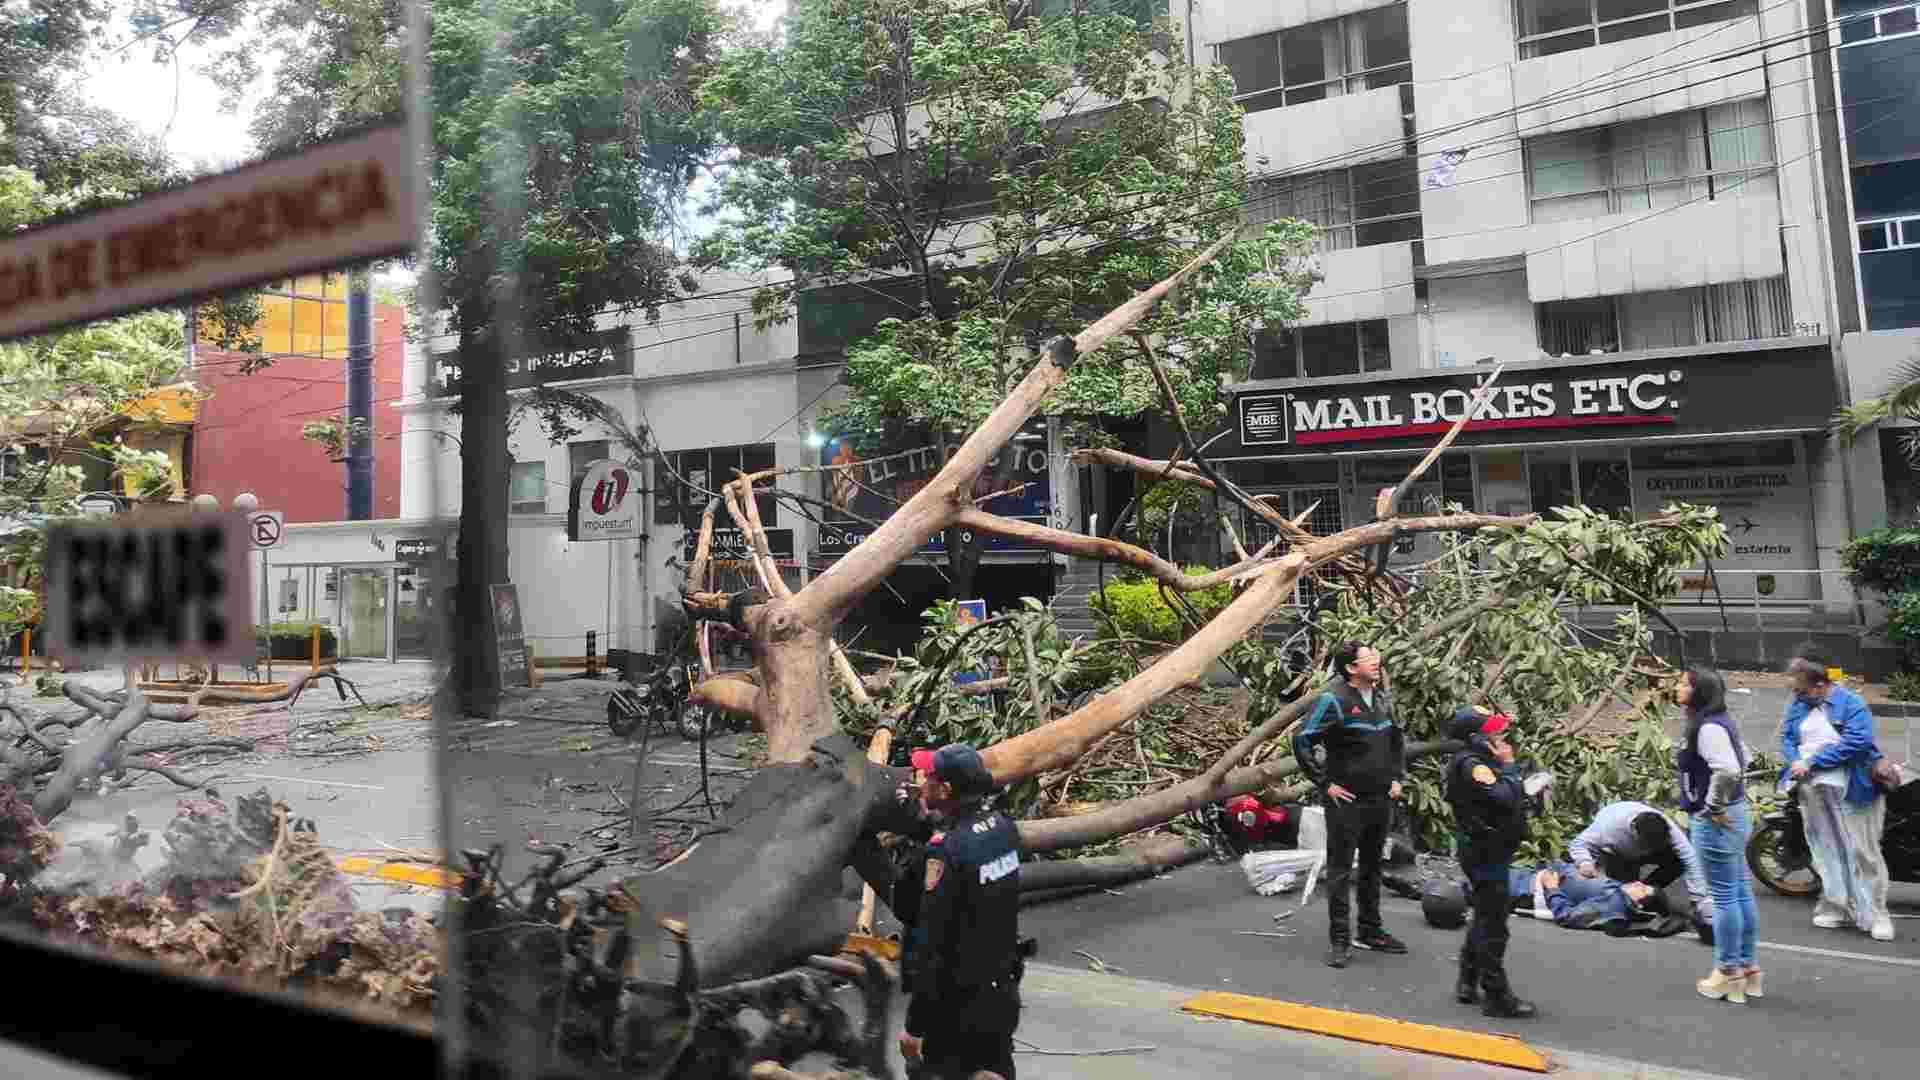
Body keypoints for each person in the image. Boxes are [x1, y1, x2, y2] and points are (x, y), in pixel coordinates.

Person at [899, 744, 1022, 1080]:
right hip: (1001, 992)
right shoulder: (1005, 829)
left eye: (929, 778)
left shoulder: (945, 852)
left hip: (956, 1008)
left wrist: (914, 1026)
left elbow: (930, 942)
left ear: (946, 788)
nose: (923, 783)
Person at [1293, 640, 1408, 969]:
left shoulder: (1383, 698)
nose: (1376, 660)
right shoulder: (1334, 700)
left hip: (1380, 798)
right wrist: (1325, 783)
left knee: (1373, 866)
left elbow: (1397, 740)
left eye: (1376, 655)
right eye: (1368, 658)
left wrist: (1398, 777)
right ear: (1351, 668)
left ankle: (1371, 931)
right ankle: (1340, 939)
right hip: (1347, 800)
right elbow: (1302, 739)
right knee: (1341, 870)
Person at [1781, 652, 1894, 941]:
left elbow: (1858, 742)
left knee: (1862, 852)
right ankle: (1837, 906)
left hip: (1854, 788)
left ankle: (1877, 913)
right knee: (1825, 849)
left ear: (1820, 687)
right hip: (1814, 790)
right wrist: (1795, 760)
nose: (1796, 696)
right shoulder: (1800, 705)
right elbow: (1788, 737)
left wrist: (1812, 762)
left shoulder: (1851, 704)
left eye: (1801, 690)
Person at [1444, 706, 1536, 1019]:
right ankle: (1496, 996)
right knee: (1494, 926)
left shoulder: (1480, 761)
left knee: (1483, 915)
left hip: (1488, 848)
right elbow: (1504, 797)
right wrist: (1509, 768)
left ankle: (1467, 980)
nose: (1500, 735)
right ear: (1476, 739)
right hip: (1485, 852)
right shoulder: (1472, 766)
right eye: (1491, 731)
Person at [1676, 666, 1761, 1003]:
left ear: (1699, 692)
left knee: (1725, 896)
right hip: (1735, 813)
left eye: (1685, 683)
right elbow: (1745, 758)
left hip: (1716, 820)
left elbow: (1728, 768)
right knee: (1739, 891)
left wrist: (1713, 805)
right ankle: (1748, 968)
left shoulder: (1707, 727)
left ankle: (1727, 972)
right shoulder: (1720, 722)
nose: (1678, 687)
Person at [1568, 801, 1712, 925]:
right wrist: (1584, 862)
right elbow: (1578, 843)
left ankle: (1649, 892)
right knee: (1622, 899)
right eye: (1648, 845)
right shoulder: (1608, 828)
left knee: (1677, 861)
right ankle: (1634, 895)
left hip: (1651, 851)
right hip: (1619, 854)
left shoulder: (1666, 827)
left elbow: (1689, 857)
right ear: (1635, 834)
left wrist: (1698, 899)